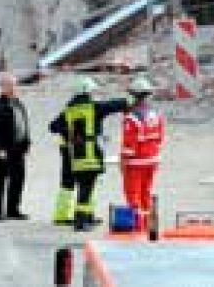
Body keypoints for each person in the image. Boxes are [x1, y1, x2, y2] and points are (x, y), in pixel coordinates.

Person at [48, 77, 131, 231]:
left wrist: (70, 134)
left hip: (75, 156)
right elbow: (113, 105)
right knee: (86, 188)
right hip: (91, 155)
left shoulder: (69, 111)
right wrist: (131, 98)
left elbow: (52, 127)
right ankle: (81, 220)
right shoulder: (93, 107)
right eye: (92, 91)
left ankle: (85, 216)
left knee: (82, 186)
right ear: (87, 91)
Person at [119, 77, 165, 230]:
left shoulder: (131, 118)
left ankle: (137, 226)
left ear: (133, 95)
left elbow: (129, 145)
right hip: (152, 160)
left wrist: (123, 162)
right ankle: (147, 225)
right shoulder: (155, 114)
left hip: (135, 162)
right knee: (146, 192)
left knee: (132, 194)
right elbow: (159, 138)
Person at [0, 74, 31, 222]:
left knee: (18, 179)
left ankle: (13, 209)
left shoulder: (17, 103)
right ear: (3, 87)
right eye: (10, 85)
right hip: (5, 149)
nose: (13, 88)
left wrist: (27, 142)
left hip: (19, 147)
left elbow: (23, 123)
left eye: (14, 85)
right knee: (1, 179)